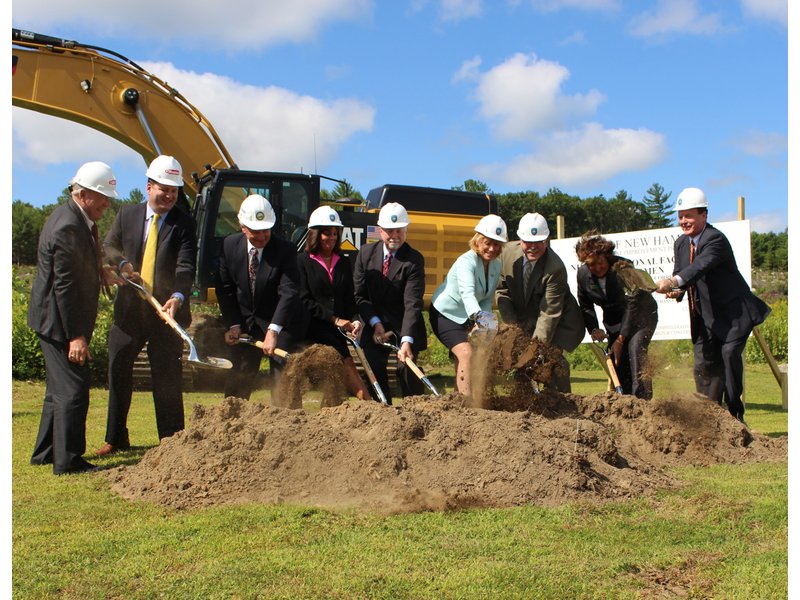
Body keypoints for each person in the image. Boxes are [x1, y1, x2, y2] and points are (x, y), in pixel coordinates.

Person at [97, 155, 197, 456]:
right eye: (163, 188)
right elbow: (109, 246)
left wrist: (178, 297)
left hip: (166, 314)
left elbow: (185, 266)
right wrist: (123, 262)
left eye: (174, 190)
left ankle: (171, 441)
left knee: (167, 376)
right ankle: (115, 437)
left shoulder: (184, 225)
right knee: (118, 370)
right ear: (149, 186)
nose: (168, 195)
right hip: (129, 312)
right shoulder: (127, 215)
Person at [28, 162, 119, 474]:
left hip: (50, 318)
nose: (107, 203)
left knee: (57, 391)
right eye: (102, 197)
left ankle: (45, 453)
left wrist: (102, 272)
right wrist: (76, 336)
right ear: (83, 194)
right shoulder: (69, 225)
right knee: (73, 390)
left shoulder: (72, 218)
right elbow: (64, 284)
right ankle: (68, 461)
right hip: (59, 321)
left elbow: (77, 267)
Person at [655, 187, 769, 422]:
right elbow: (682, 274)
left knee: (728, 356)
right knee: (704, 366)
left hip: (733, 315)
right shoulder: (681, 243)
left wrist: (673, 281)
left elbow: (699, 268)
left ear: (704, 215)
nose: (683, 221)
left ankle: (736, 416)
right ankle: (711, 420)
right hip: (704, 317)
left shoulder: (714, 239)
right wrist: (675, 290)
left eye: (689, 215)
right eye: (680, 216)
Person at [216, 193, 308, 400]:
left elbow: (288, 291)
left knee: (282, 384)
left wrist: (273, 330)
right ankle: (230, 428)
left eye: (266, 231)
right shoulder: (229, 246)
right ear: (243, 226)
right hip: (246, 324)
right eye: (255, 232)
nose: (261, 237)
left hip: (281, 322)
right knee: (238, 382)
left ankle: (287, 427)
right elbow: (225, 289)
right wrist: (233, 324)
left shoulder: (285, 250)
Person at [495, 213, 584, 393]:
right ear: (519, 239)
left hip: (559, 322)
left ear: (547, 240)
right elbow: (502, 292)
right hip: (526, 318)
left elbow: (549, 313)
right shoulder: (505, 254)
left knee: (550, 360)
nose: (533, 247)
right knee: (521, 359)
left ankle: (562, 403)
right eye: (528, 242)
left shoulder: (555, 268)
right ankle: (526, 402)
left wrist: (534, 348)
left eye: (539, 242)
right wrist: (515, 331)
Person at [353, 202, 427, 404]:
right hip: (375, 324)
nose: (394, 235)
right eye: (389, 230)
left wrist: (406, 341)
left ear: (406, 230)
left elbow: (412, 302)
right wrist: (375, 323)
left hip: (404, 325)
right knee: (373, 364)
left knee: (406, 368)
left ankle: (416, 410)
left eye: (399, 230)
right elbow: (360, 296)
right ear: (379, 230)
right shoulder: (365, 254)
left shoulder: (413, 260)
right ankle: (383, 412)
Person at [296, 206, 372, 401]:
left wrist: (355, 320)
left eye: (334, 233)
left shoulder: (344, 263)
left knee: (344, 379)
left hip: (336, 332)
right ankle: (366, 401)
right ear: (315, 234)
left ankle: (362, 405)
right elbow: (304, 299)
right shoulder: (303, 261)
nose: (331, 238)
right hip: (311, 328)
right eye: (326, 233)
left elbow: (348, 298)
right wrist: (335, 319)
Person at [429, 214, 507, 396]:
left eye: (496, 244)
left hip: (469, 315)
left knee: (474, 355)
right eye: (488, 242)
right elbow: (467, 294)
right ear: (478, 241)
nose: (492, 248)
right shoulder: (466, 261)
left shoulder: (495, 266)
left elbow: (487, 298)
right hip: (446, 314)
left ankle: (460, 398)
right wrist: (481, 318)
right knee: (466, 353)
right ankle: (467, 405)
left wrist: (485, 323)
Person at [575, 232, 659, 399]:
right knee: (617, 361)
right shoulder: (583, 275)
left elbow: (632, 304)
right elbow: (585, 305)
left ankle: (643, 402)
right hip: (614, 321)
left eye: (600, 263)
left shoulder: (623, 267)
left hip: (641, 316)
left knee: (635, 350)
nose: (597, 268)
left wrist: (621, 339)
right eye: (591, 265)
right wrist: (593, 329)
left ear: (607, 256)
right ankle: (626, 402)